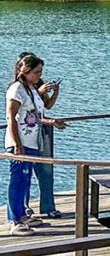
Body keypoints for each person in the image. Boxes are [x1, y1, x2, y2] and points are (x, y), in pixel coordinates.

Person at [5, 54, 67, 236]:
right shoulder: (16, 89)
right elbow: (11, 117)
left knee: (25, 180)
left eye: (40, 71)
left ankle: (22, 216)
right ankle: (14, 220)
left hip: (32, 142)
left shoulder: (31, 89)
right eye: (36, 72)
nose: (39, 76)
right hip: (20, 143)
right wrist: (17, 144)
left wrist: (52, 120)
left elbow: (39, 113)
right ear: (24, 71)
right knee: (17, 181)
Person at [15, 51, 62, 219]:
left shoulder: (38, 83)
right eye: (36, 71)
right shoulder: (19, 87)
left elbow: (46, 106)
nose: (38, 74)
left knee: (46, 171)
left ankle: (48, 206)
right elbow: (24, 113)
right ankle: (25, 209)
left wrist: (54, 92)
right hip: (27, 134)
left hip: (42, 132)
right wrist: (39, 91)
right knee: (25, 173)